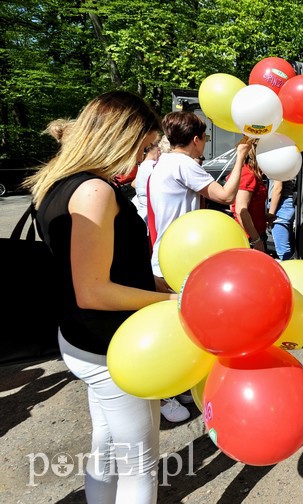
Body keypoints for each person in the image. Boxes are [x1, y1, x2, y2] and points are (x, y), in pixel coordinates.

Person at [26, 91, 176, 503]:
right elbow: (93, 290)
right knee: (139, 466)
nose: (147, 157)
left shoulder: (58, 183)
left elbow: (104, 271)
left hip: (85, 340)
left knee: (106, 446)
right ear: (119, 137)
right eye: (145, 146)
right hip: (111, 345)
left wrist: (161, 288)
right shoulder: (95, 191)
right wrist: (174, 304)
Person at [147, 111, 250, 422]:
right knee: (184, 329)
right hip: (178, 262)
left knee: (174, 327)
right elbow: (226, 195)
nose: (205, 145)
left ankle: (174, 388)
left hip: (162, 258)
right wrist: (242, 155)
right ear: (195, 140)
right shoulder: (184, 164)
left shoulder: (163, 161)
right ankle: (166, 394)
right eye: (204, 138)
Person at [228, 142, 269, 252]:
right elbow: (241, 210)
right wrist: (256, 241)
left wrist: (263, 216)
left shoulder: (250, 172)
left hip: (253, 233)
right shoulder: (247, 174)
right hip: (249, 237)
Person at [131, 135, 166, 223]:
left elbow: (134, 183)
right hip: (148, 217)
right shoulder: (151, 167)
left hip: (142, 213)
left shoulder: (143, 165)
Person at [266, 177, 295, 261]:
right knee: (289, 249)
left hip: (281, 205)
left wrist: (271, 214)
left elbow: (278, 188)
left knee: (283, 252)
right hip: (287, 202)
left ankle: (288, 272)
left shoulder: (277, 164)